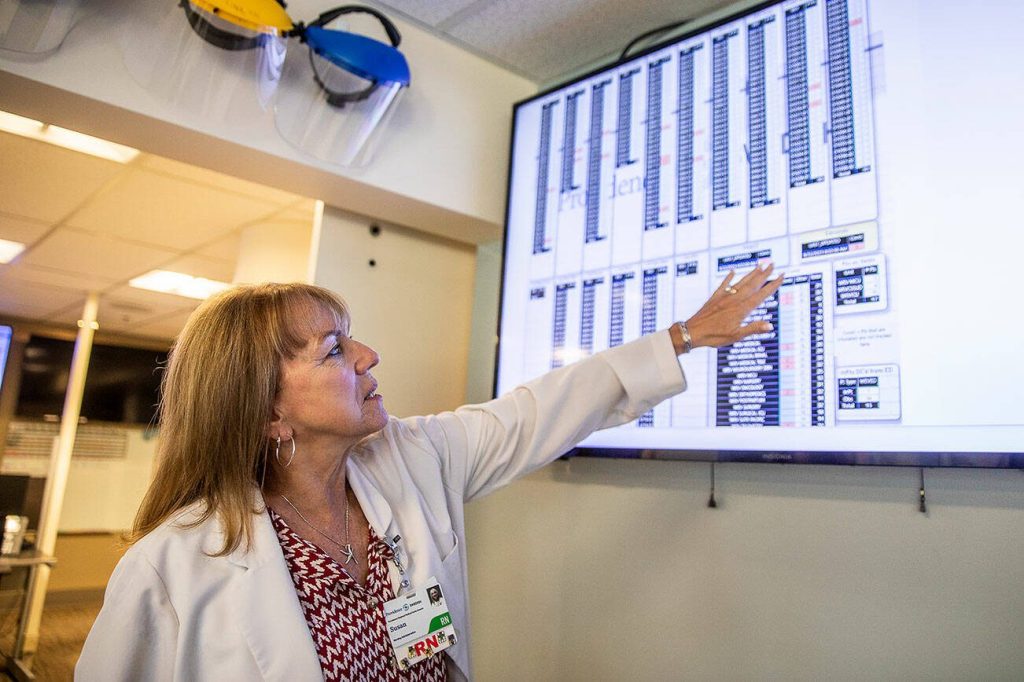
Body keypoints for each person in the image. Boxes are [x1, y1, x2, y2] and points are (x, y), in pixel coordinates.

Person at [76, 265, 781, 681]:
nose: (369, 356)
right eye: (333, 350)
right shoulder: (167, 572)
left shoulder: (411, 459)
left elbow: (536, 414)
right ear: (268, 414)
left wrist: (683, 336)